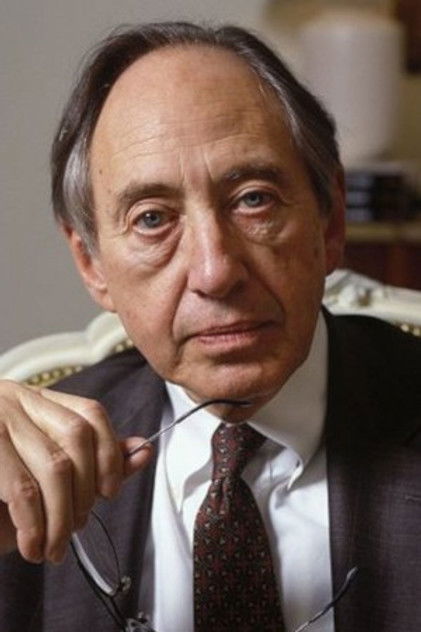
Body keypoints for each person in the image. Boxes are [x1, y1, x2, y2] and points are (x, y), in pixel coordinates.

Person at [0, 21, 420, 632]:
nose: (215, 272)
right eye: (152, 219)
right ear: (92, 263)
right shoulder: (27, 465)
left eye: (254, 199)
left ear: (329, 223)